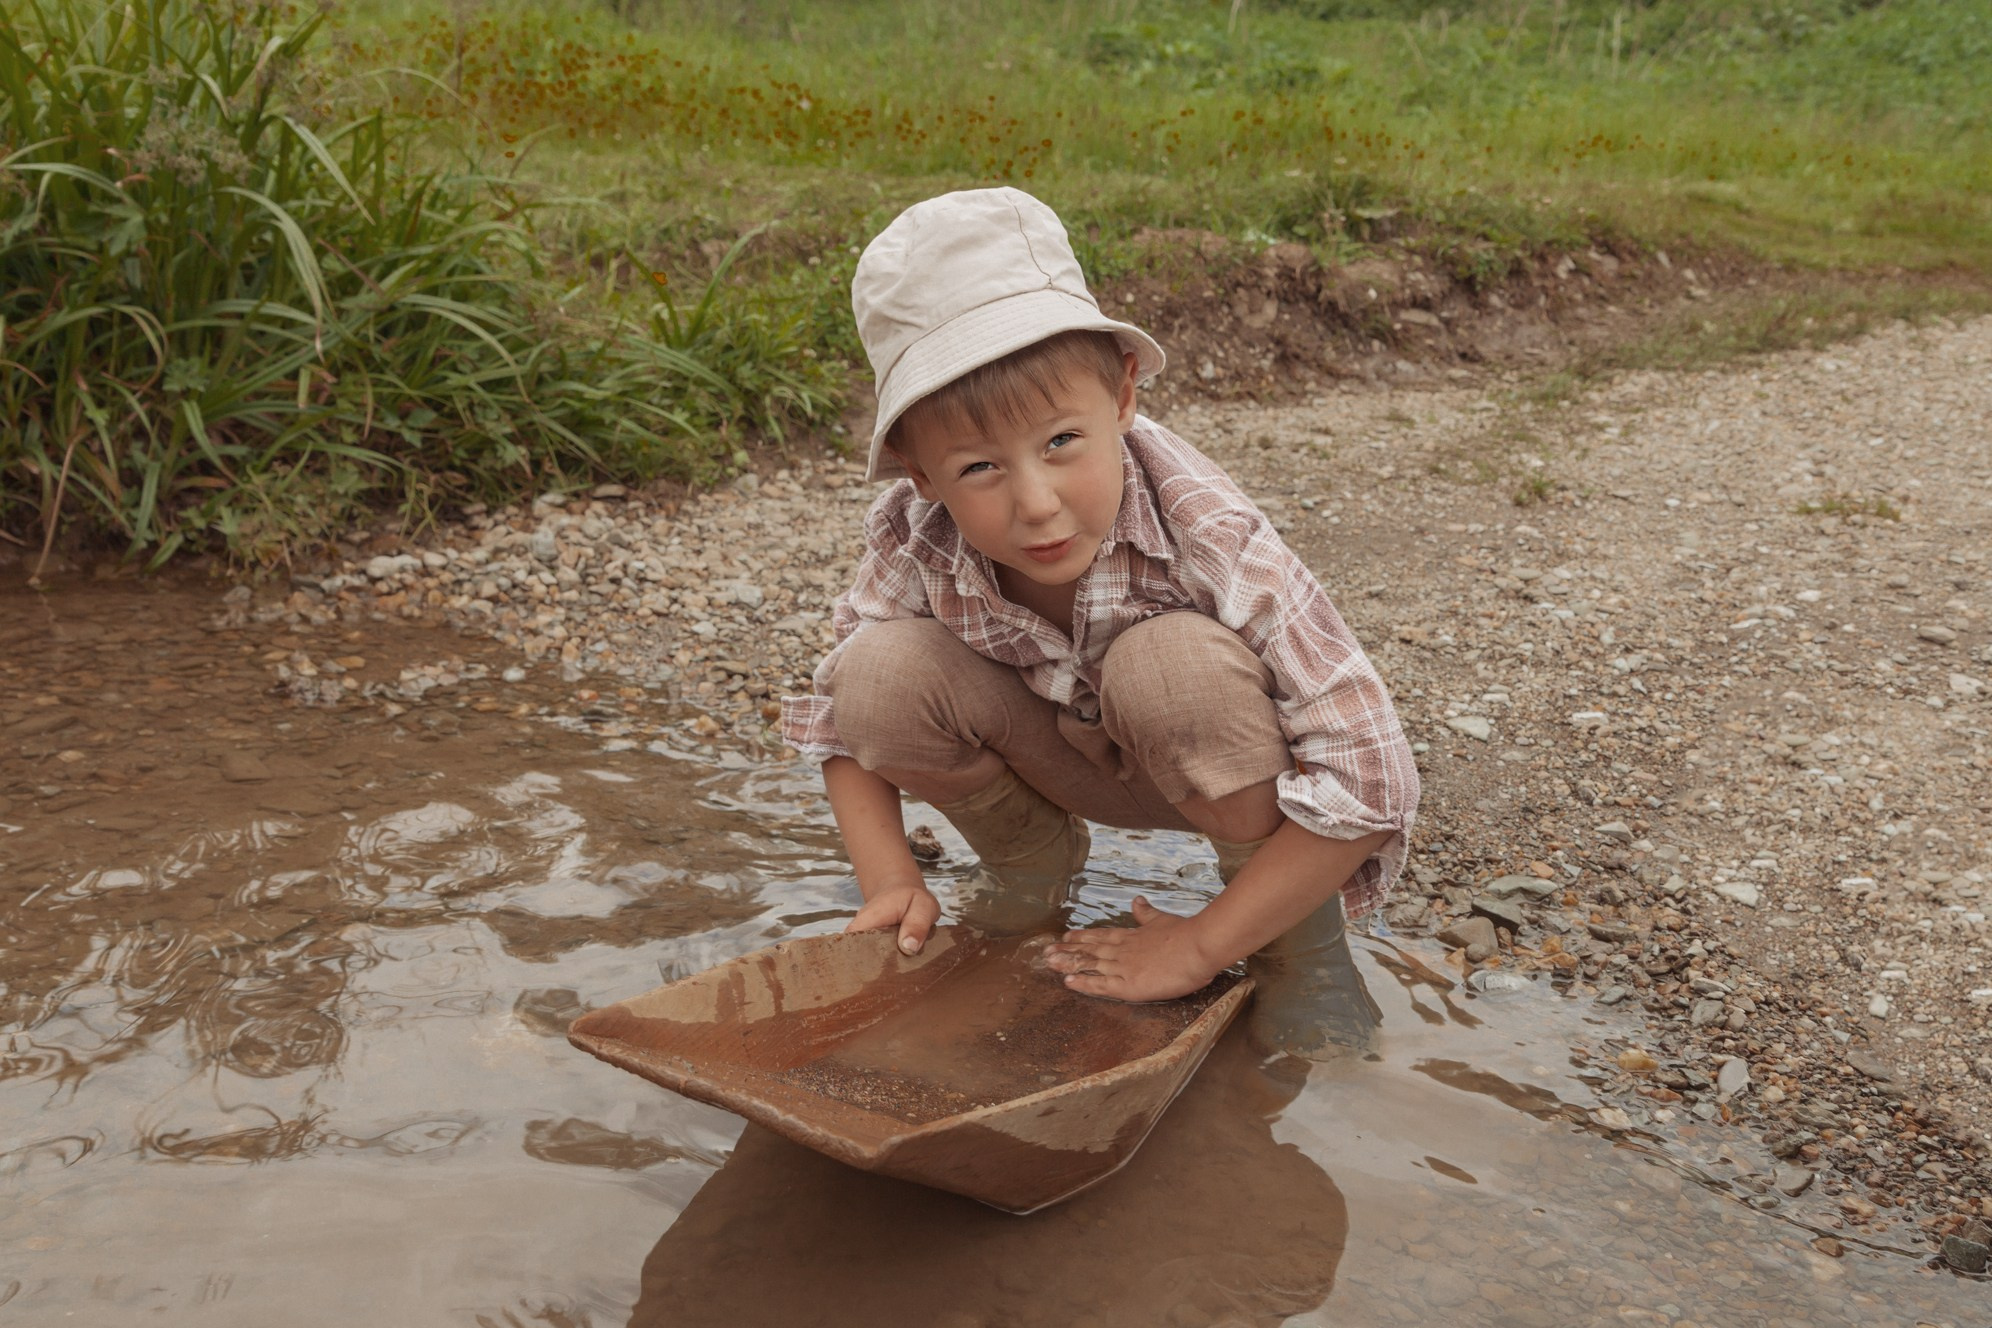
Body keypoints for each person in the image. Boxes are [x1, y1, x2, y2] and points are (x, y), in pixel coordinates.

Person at [779, 186, 1419, 1054]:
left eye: (1060, 444)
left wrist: (1199, 946)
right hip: (1056, 760)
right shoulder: (912, 532)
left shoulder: (1207, 527)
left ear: (1121, 396)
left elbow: (1371, 776)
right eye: (977, 467)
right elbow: (835, 722)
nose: (1036, 506)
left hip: (1220, 772)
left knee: (1170, 664)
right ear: (917, 472)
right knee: (873, 672)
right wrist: (889, 878)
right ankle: (1029, 869)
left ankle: (1299, 946)